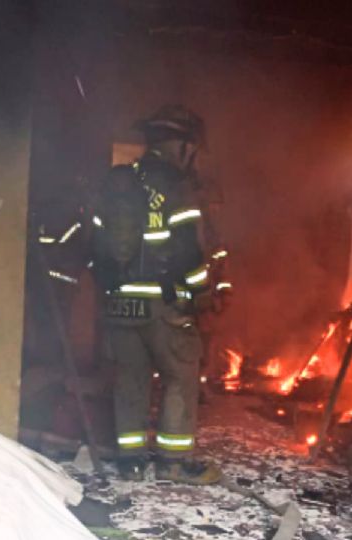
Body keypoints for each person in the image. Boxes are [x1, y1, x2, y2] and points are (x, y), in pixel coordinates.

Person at [89, 105, 222, 485]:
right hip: (163, 305)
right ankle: (173, 462)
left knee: (130, 379)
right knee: (180, 376)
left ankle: (130, 462)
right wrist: (201, 293)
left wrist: (110, 290)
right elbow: (188, 252)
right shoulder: (177, 188)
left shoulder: (119, 184)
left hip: (120, 304)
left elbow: (94, 246)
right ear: (180, 146)